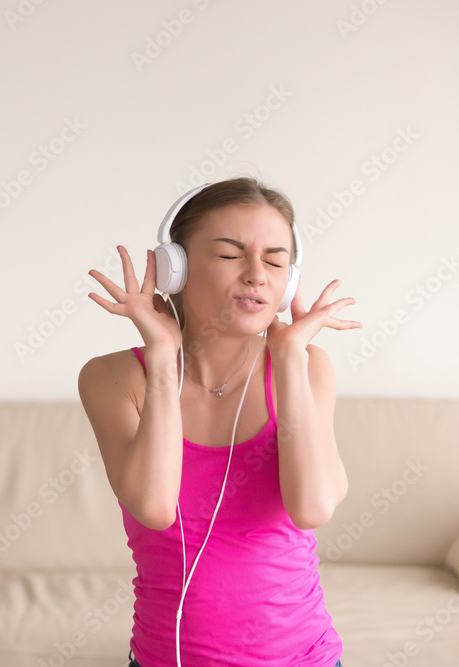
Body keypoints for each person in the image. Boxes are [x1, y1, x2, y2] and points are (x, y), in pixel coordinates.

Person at [78, 178, 360, 666]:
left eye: (276, 262)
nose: (257, 275)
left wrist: (290, 358)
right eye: (231, 254)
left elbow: (312, 508)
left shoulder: (308, 367)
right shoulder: (112, 378)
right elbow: (155, 507)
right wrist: (163, 357)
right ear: (177, 269)